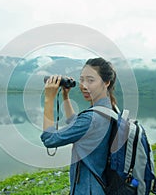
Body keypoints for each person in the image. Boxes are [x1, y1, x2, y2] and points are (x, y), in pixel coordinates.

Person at [41, 57, 117, 194]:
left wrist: (49, 99)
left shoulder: (91, 118)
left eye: (90, 80)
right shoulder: (109, 110)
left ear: (106, 82)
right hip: (99, 186)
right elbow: (75, 123)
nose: (84, 85)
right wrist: (65, 96)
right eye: (82, 80)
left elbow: (49, 139)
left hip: (87, 189)